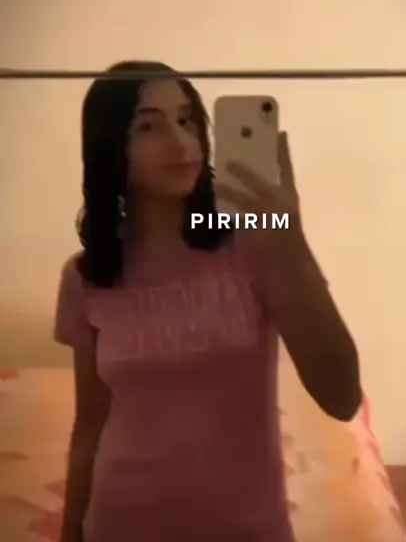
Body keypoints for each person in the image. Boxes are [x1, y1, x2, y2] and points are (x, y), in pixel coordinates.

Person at [54, 60, 361, 542]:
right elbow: (91, 423)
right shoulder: (87, 276)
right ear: (110, 146)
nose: (181, 143)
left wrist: (291, 243)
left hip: (246, 529)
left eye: (188, 120)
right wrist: (71, 532)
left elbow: (342, 398)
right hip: (120, 524)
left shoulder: (251, 242)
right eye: (149, 126)